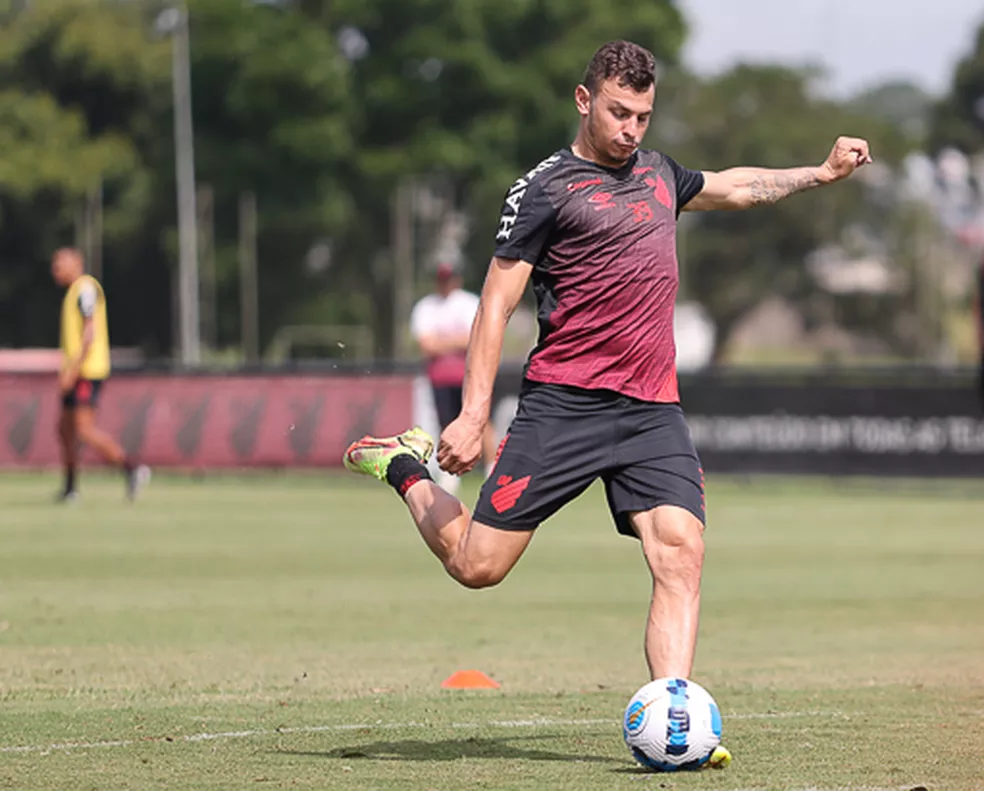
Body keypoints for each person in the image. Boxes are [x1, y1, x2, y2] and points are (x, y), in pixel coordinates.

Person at [344, 40, 870, 767]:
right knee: (476, 566)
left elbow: (733, 187)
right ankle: (403, 466)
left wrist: (819, 172)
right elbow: (495, 305)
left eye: (644, 116)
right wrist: (470, 414)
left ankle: (675, 722)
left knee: (681, 552)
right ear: (584, 100)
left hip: (653, 410)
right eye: (619, 112)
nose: (632, 129)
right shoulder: (545, 189)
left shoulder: (658, 173)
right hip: (564, 406)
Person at [51, 247, 149, 502]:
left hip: (87, 371)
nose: (56, 270)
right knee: (64, 430)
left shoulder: (85, 288)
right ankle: (71, 488)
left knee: (83, 430)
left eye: (60, 264)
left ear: (76, 263)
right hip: (76, 371)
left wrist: (73, 370)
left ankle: (131, 468)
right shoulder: (73, 292)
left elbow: (89, 332)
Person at [410, 262, 497, 494]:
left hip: (471, 374)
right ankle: (450, 472)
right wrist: (455, 341)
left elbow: (475, 338)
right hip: (440, 376)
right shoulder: (427, 306)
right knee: (446, 423)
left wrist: (443, 342)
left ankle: (492, 468)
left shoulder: (468, 302)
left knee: (480, 419)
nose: (446, 283)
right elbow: (426, 344)